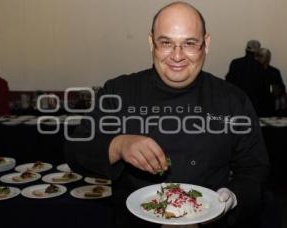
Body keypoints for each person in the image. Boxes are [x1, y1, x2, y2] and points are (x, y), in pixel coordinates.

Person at [66, 2, 269, 228]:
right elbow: (75, 151)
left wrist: (234, 198)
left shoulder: (233, 100)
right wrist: (119, 145)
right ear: (151, 42)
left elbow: (255, 169)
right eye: (166, 43)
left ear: (206, 44)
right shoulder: (119, 91)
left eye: (189, 43)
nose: (177, 56)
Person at [225, 40, 267, 116]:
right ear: (257, 52)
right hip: (254, 103)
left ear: (246, 50)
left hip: (236, 101)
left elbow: (228, 81)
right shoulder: (259, 66)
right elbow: (262, 87)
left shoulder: (235, 62)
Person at [255, 48, 286, 116]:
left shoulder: (275, 71)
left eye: (260, 56)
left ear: (268, 58)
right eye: (257, 56)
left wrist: (275, 89)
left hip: (271, 105)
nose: (257, 58)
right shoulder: (254, 71)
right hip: (257, 105)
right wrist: (272, 88)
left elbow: (281, 87)